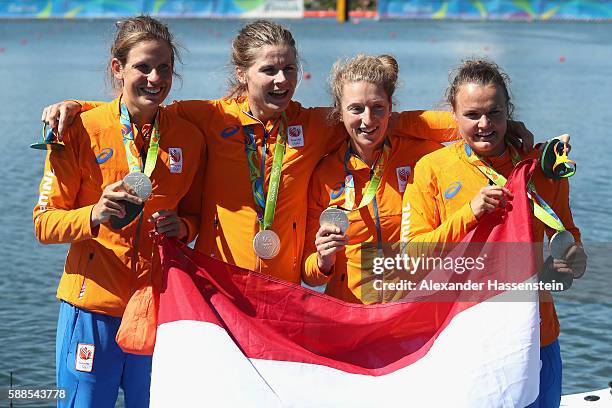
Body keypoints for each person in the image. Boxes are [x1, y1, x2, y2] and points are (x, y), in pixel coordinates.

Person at [40, 20, 532, 284]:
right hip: (219, 283)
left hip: (285, 288)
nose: (281, 81)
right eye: (270, 71)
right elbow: (141, 102)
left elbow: (400, 121)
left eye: (290, 70)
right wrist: (75, 107)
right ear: (242, 75)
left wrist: (495, 126)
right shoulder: (209, 117)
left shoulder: (315, 122)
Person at [33, 16, 206, 408]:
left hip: (156, 309)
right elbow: (43, 223)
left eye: (164, 68)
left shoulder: (189, 138)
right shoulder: (76, 130)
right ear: (118, 68)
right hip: (92, 310)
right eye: (143, 66)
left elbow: (194, 216)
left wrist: (184, 226)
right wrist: (93, 213)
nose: (154, 78)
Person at [400, 59, 587, 407]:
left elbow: (568, 242)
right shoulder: (432, 169)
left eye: (494, 113)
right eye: (472, 115)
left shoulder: (540, 169)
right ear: (453, 116)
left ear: (508, 113)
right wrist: (469, 213)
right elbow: (412, 256)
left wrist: (569, 263)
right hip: (464, 337)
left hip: (536, 336)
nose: (485, 124)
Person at [301, 54, 444, 303]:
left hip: (412, 309)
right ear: (339, 112)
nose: (368, 120)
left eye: (378, 107)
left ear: (391, 108)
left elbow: (467, 123)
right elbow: (310, 276)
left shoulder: (423, 155)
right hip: (352, 314)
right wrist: (324, 260)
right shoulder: (324, 174)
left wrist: (506, 125)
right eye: (356, 109)